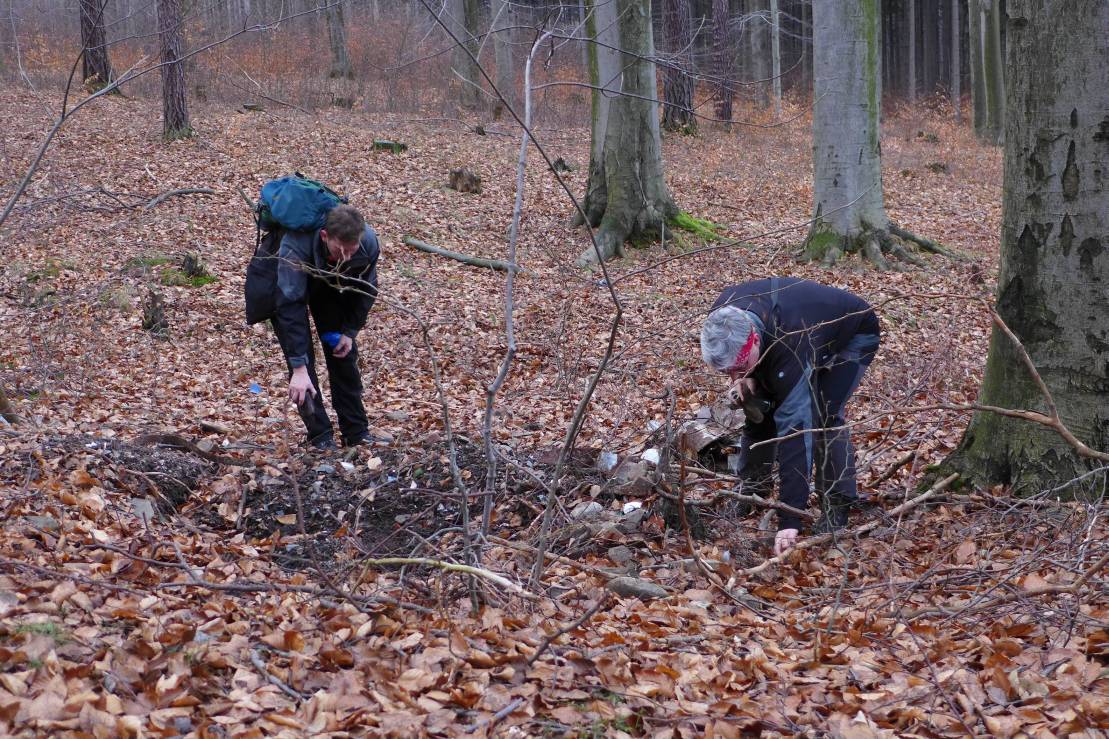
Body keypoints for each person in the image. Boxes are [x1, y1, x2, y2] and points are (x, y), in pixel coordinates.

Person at [700, 277, 880, 556]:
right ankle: (752, 490)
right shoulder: (722, 317)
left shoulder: (792, 342)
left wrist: (789, 518)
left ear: (755, 340)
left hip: (851, 331)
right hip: (789, 333)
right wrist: (745, 377)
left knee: (823, 415)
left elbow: (796, 433)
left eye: (739, 368)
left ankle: (837, 504)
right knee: (758, 405)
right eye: (727, 372)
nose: (733, 378)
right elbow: (746, 361)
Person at [271, 204, 381, 450]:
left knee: (343, 354)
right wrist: (299, 366)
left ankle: (356, 432)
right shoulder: (295, 247)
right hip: (286, 288)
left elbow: (367, 290)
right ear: (324, 236)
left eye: (352, 251)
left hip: (329, 286)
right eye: (340, 250)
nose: (347, 257)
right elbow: (290, 307)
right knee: (302, 365)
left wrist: (350, 331)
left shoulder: (368, 244)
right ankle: (320, 436)